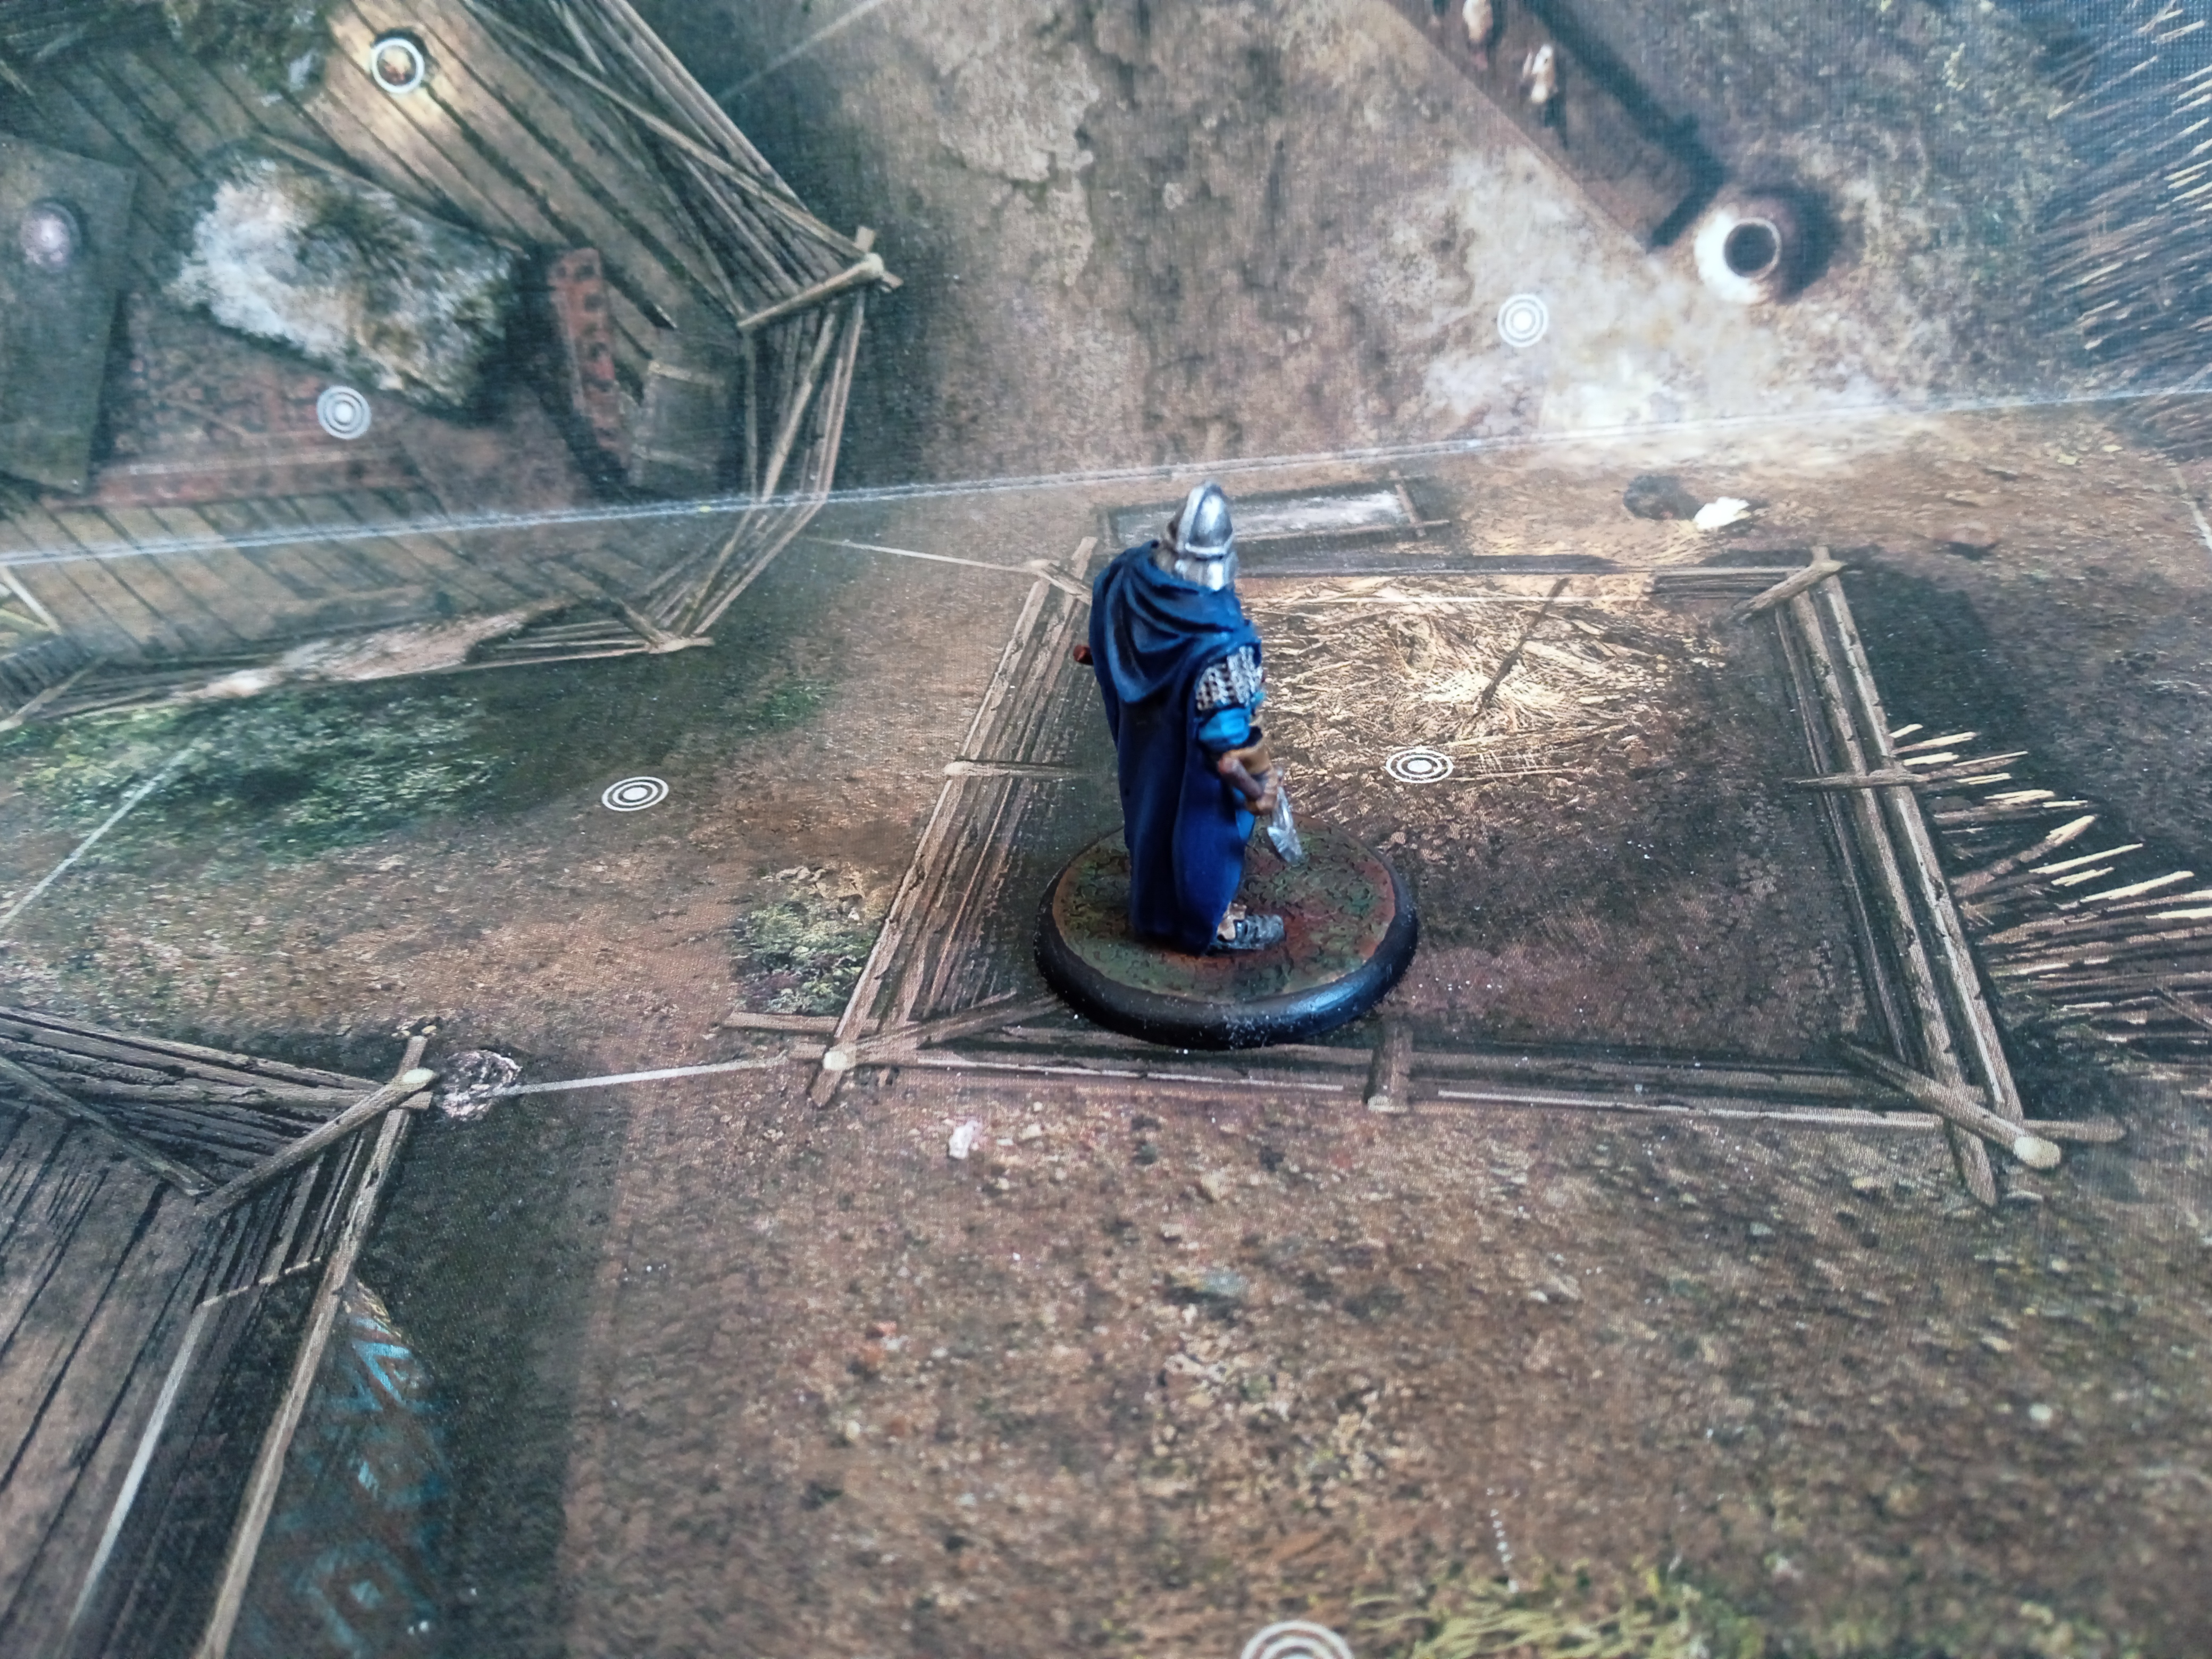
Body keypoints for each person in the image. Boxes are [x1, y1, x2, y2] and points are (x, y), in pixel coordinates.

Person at [1081, 481, 1285, 953]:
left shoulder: (1127, 577)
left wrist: (1104, 659)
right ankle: (1212, 927)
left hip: (1149, 735)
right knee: (1205, 842)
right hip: (1192, 760)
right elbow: (1228, 749)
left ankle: (1156, 904)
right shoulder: (1220, 642)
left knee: (1152, 816)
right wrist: (1260, 788)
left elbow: (1112, 633)